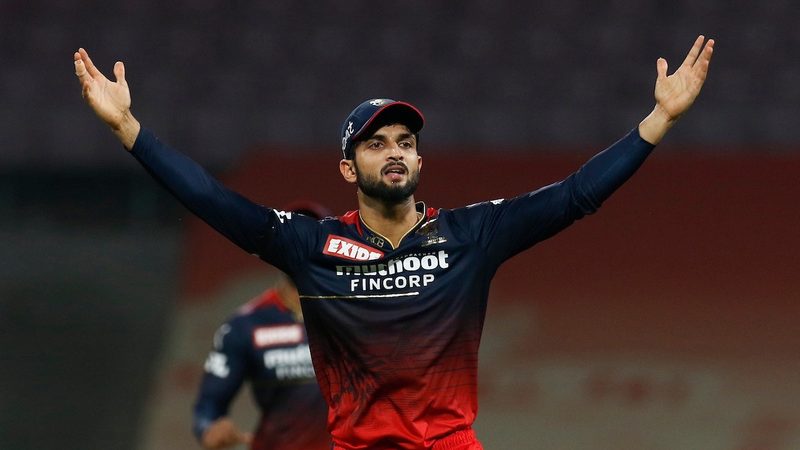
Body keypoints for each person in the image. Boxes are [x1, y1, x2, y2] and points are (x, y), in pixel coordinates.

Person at [74, 35, 714, 450]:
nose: (395, 152)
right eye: (376, 143)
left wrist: (657, 121)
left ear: (419, 159)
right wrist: (130, 129)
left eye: (406, 142)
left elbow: (574, 196)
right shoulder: (311, 246)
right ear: (348, 168)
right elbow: (213, 200)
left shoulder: (471, 234)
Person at [192, 201, 333, 450]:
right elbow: (208, 406)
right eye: (294, 234)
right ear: (276, 246)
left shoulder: (358, 313)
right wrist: (209, 428)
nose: (302, 243)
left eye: (313, 234)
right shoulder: (246, 325)